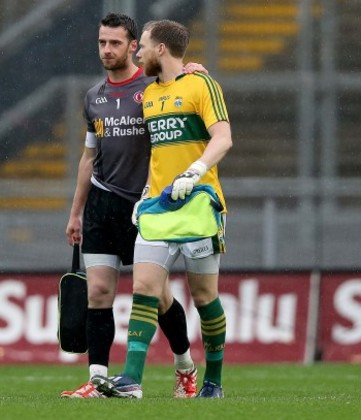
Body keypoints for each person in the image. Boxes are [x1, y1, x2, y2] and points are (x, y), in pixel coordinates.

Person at [62, 13, 203, 399]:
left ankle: (185, 367)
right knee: (98, 292)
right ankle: (97, 379)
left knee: (158, 297)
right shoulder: (94, 97)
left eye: (116, 43)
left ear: (131, 47)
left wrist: (193, 70)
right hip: (101, 204)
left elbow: (185, 84)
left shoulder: (155, 87)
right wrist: (76, 211)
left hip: (145, 206)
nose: (107, 50)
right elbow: (88, 158)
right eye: (102, 43)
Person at [92, 19, 232, 399]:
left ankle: (214, 382)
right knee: (143, 289)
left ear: (160, 50)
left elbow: (223, 137)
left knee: (204, 297)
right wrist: (145, 196)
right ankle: (132, 380)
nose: (136, 53)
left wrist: (195, 171)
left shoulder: (201, 84)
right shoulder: (150, 95)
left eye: (143, 46)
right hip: (158, 208)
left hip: (200, 203)